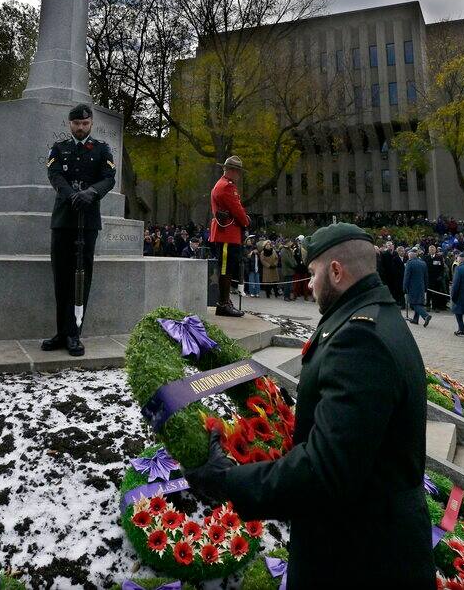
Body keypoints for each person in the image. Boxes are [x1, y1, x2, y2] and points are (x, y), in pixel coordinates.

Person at [185, 223, 434, 588]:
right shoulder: (370, 315)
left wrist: (228, 481)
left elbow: (326, 471)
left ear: (336, 271)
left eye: (314, 273)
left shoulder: (359, 339)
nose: (311, 283)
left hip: (359, 559)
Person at [42, 104, 116, 357]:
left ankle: (75, 333)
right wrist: (72, 195)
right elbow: (54, 175)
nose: (81, 128)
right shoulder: (59, 149)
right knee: (60, 277)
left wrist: (92, 192)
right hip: (63, 219)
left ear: (91, 124)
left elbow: (109, 177)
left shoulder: (102, 149)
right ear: (70, 124)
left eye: (85, 124)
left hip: (88, 221)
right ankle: (61, 331)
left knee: (81, 278)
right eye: (76, 124)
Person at [208, 156, 250, 317]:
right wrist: (246, 221)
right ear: (232, 171)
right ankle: (223, 304)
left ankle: (225, 301)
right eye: (238, 172)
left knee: (228, 268)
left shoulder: (222, 185)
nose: (239, 175)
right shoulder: (227, 187)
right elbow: (237, 209)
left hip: (226, 234)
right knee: (226, 269)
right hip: (227, 234)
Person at [403, 248, 431, 327]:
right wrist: (426, 287)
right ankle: (415, 319)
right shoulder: (423, 263)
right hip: (421, 286)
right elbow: (426, 276)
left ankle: (425, 316)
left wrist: (404, 287)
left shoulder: (409, 263)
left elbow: (406, 277)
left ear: (410, 256)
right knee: (418, 302)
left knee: (413, 303)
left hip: (412, 287)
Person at [425, 245, 447, 311]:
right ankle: (428, 305)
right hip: (428, 278)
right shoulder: (426, 258)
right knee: (428, 293)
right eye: (430, 249)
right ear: (429, 250)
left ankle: (435, 306)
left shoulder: (439, 258)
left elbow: (442, 269)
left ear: (435, 250)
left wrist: (440, 276)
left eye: (433, 249)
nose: (432, 250)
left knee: (436, 293)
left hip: (437, 279)